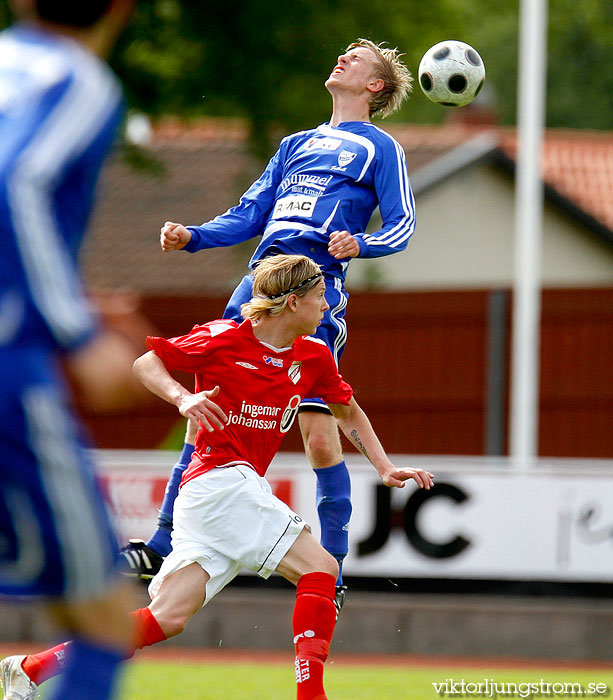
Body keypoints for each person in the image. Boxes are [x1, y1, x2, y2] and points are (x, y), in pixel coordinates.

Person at [8, 254, 434, 700]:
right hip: (218, 481)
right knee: (321, 567)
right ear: (292, 303)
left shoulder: (314, 356)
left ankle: (29, 670)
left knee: (165, 619)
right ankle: (312, 695)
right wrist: (182, 399)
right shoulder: (223, 338)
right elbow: (145, 363)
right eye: (320, 297)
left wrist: (385, 467)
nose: (327, 307)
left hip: (218, 497)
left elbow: (347, 410)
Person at [121, 39, 416, 603]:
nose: (342, 58)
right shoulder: (295, 145)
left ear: (375, 87)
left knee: (319, 435)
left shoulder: (381, 149)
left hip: (315, 286)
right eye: (344, 53)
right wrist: (195, 237)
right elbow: (250, 212)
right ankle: (161, 541)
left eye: (357, 59)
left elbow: (403, 225)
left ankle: (332, 570)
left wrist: (364, 243)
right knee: (208, 406)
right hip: (258, 285)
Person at [0, 2, 138, 700]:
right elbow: (16, 181)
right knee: (103, 617)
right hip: (9, 377)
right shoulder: (76, 79)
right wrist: (75, 332)